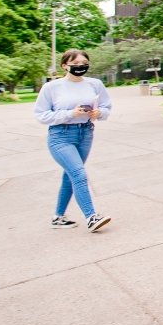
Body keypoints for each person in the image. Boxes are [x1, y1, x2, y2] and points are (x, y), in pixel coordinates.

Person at [33, 49, 113, 232]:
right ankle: (91, 217)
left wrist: (99, 113)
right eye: (75, 64)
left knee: (70, 176)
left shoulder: (95, 84)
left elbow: (106, 107)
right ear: (64, 65)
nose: (80, 67)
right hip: (60, 136)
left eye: (84, 63)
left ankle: (58, 217)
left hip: (85, 133)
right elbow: (41, 115)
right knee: (78, 174)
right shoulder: (52, 87)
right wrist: (70, 114)